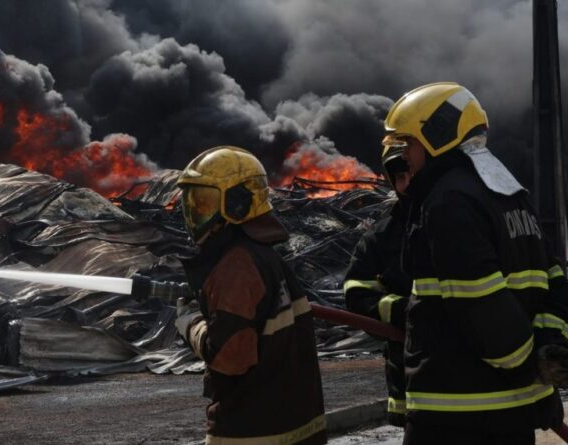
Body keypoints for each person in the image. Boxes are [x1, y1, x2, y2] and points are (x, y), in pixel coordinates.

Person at [385, 82, 568, 445]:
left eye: (409, 143)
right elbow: (555, 283)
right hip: (513, 415)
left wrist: (523, 364)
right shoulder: (510, 194)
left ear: (436, 136)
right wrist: (548, 345)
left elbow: (480, 301)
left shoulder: (448, 201)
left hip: (457, 416)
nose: (405, 155)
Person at [174, 145, 327, 444]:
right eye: (192, 205)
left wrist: (190, 323)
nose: (196, 215)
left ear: (238, 204)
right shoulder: (267, 257)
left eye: (204, 204)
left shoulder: (237, 265)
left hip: (251, 431)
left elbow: (231, 357)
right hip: (297, 426)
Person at [343, 142, 412, 427]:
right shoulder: (381, 235)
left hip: (468, 382)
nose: (407, 184)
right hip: (409, 381)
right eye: (400, 178)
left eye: (411, 174)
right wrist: (401, 311)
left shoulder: (462, 221)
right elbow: (355, 292)